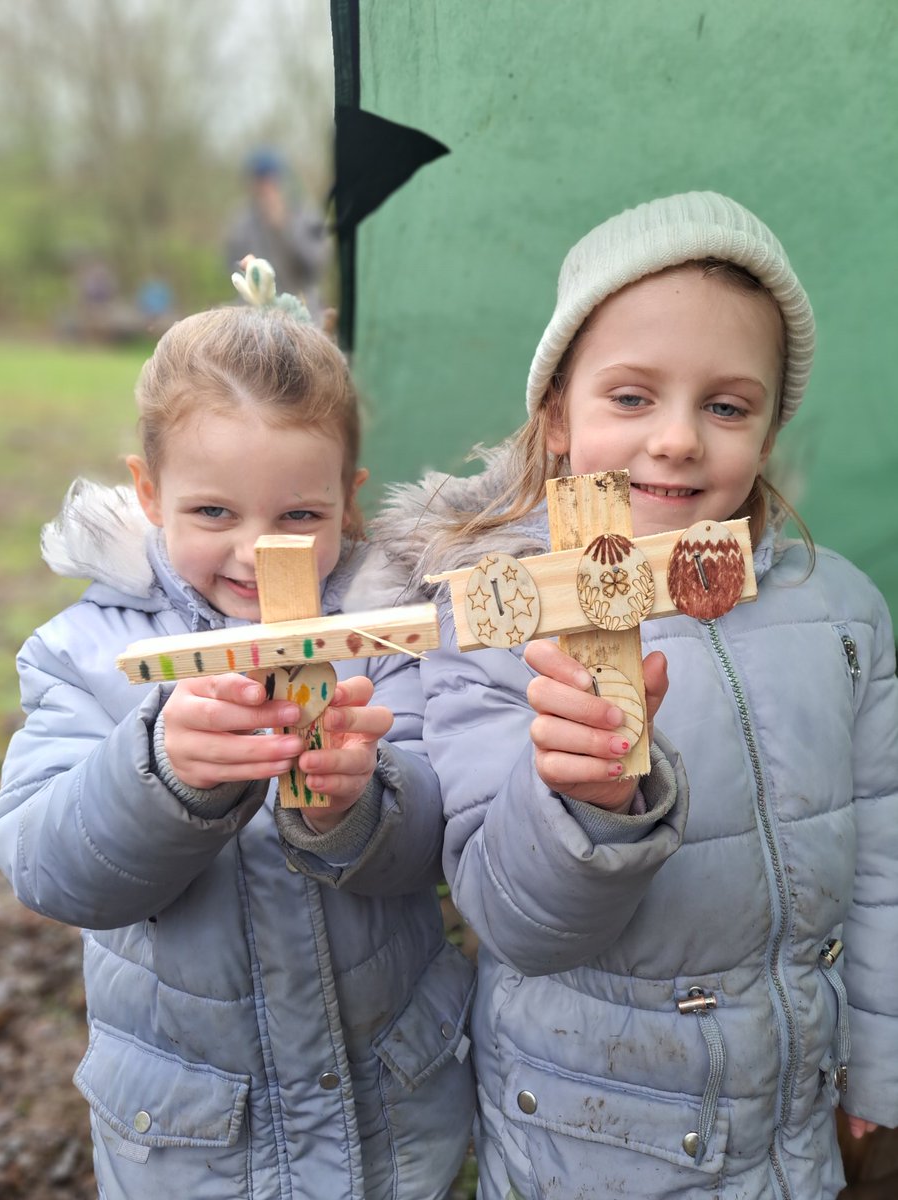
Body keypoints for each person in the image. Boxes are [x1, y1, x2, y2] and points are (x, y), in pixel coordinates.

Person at [369, 192, 898, 1198]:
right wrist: (585, 806)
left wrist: (881, 1054)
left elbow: (884, 851)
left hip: (794, 1134)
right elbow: (514, 920)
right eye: (631, 397)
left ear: (769, 432)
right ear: (557, 418)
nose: (678, 439)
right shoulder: (497, 614)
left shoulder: (840, 609)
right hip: (589, 1146)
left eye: (727, 406)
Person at [0, 261, 475, 1199]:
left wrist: (358, 807)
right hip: (195, 1138)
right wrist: (159, 774)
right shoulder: (83, 654)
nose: (260, 551)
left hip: (390, 1109)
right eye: (214, 512)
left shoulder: (384, 634)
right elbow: (46, 868)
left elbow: (439, 840)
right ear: (149, 491)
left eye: (299, 515)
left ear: (348, 498)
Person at [225, 148, 330, 318]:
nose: (265, 188)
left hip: (302, 310)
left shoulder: (305, 214)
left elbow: (316, 265)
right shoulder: (242, 222)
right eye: (259, 181)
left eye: (270, 180)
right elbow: (232, 265)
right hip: (256, 314)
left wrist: (284, 227)